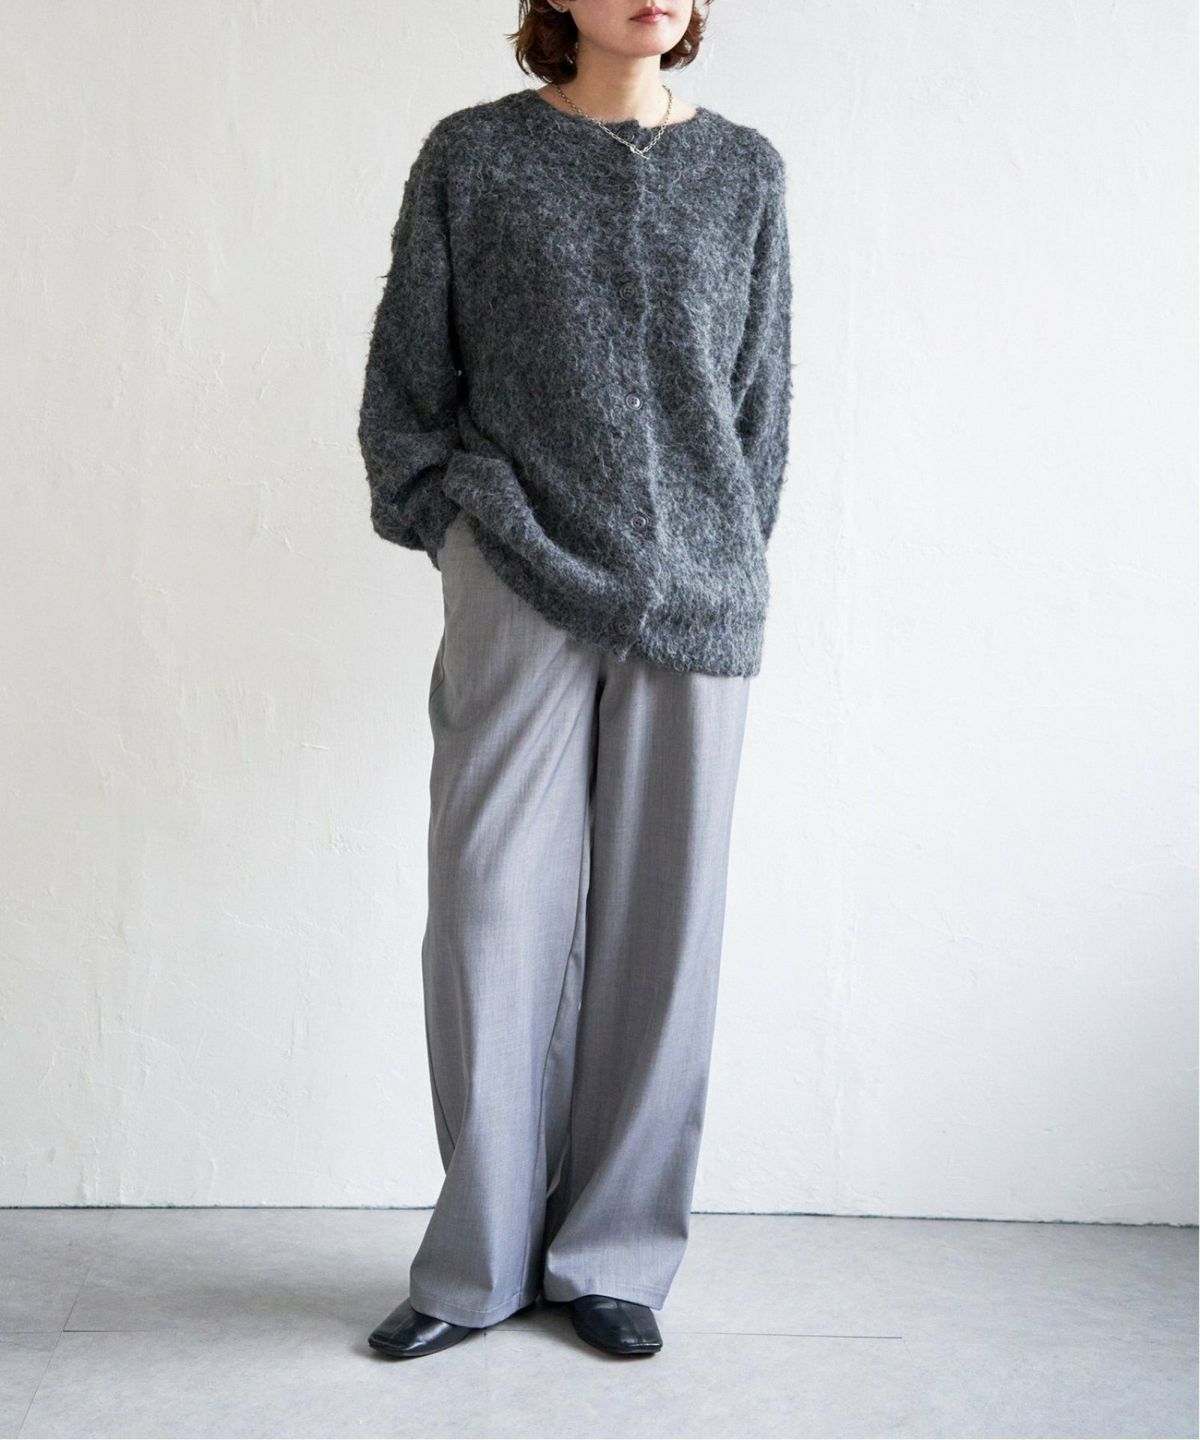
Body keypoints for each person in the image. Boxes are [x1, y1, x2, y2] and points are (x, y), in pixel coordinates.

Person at [357, 0, 792, 1361]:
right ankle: (477, 1264)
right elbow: (409, 374)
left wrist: (724, 550)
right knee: (489, 910)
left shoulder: (746, 170)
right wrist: (451, 523)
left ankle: (611, 1258)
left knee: (665, 931)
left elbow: (761, 400)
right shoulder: (474, 155)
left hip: (697, 590)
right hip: (517, 566)